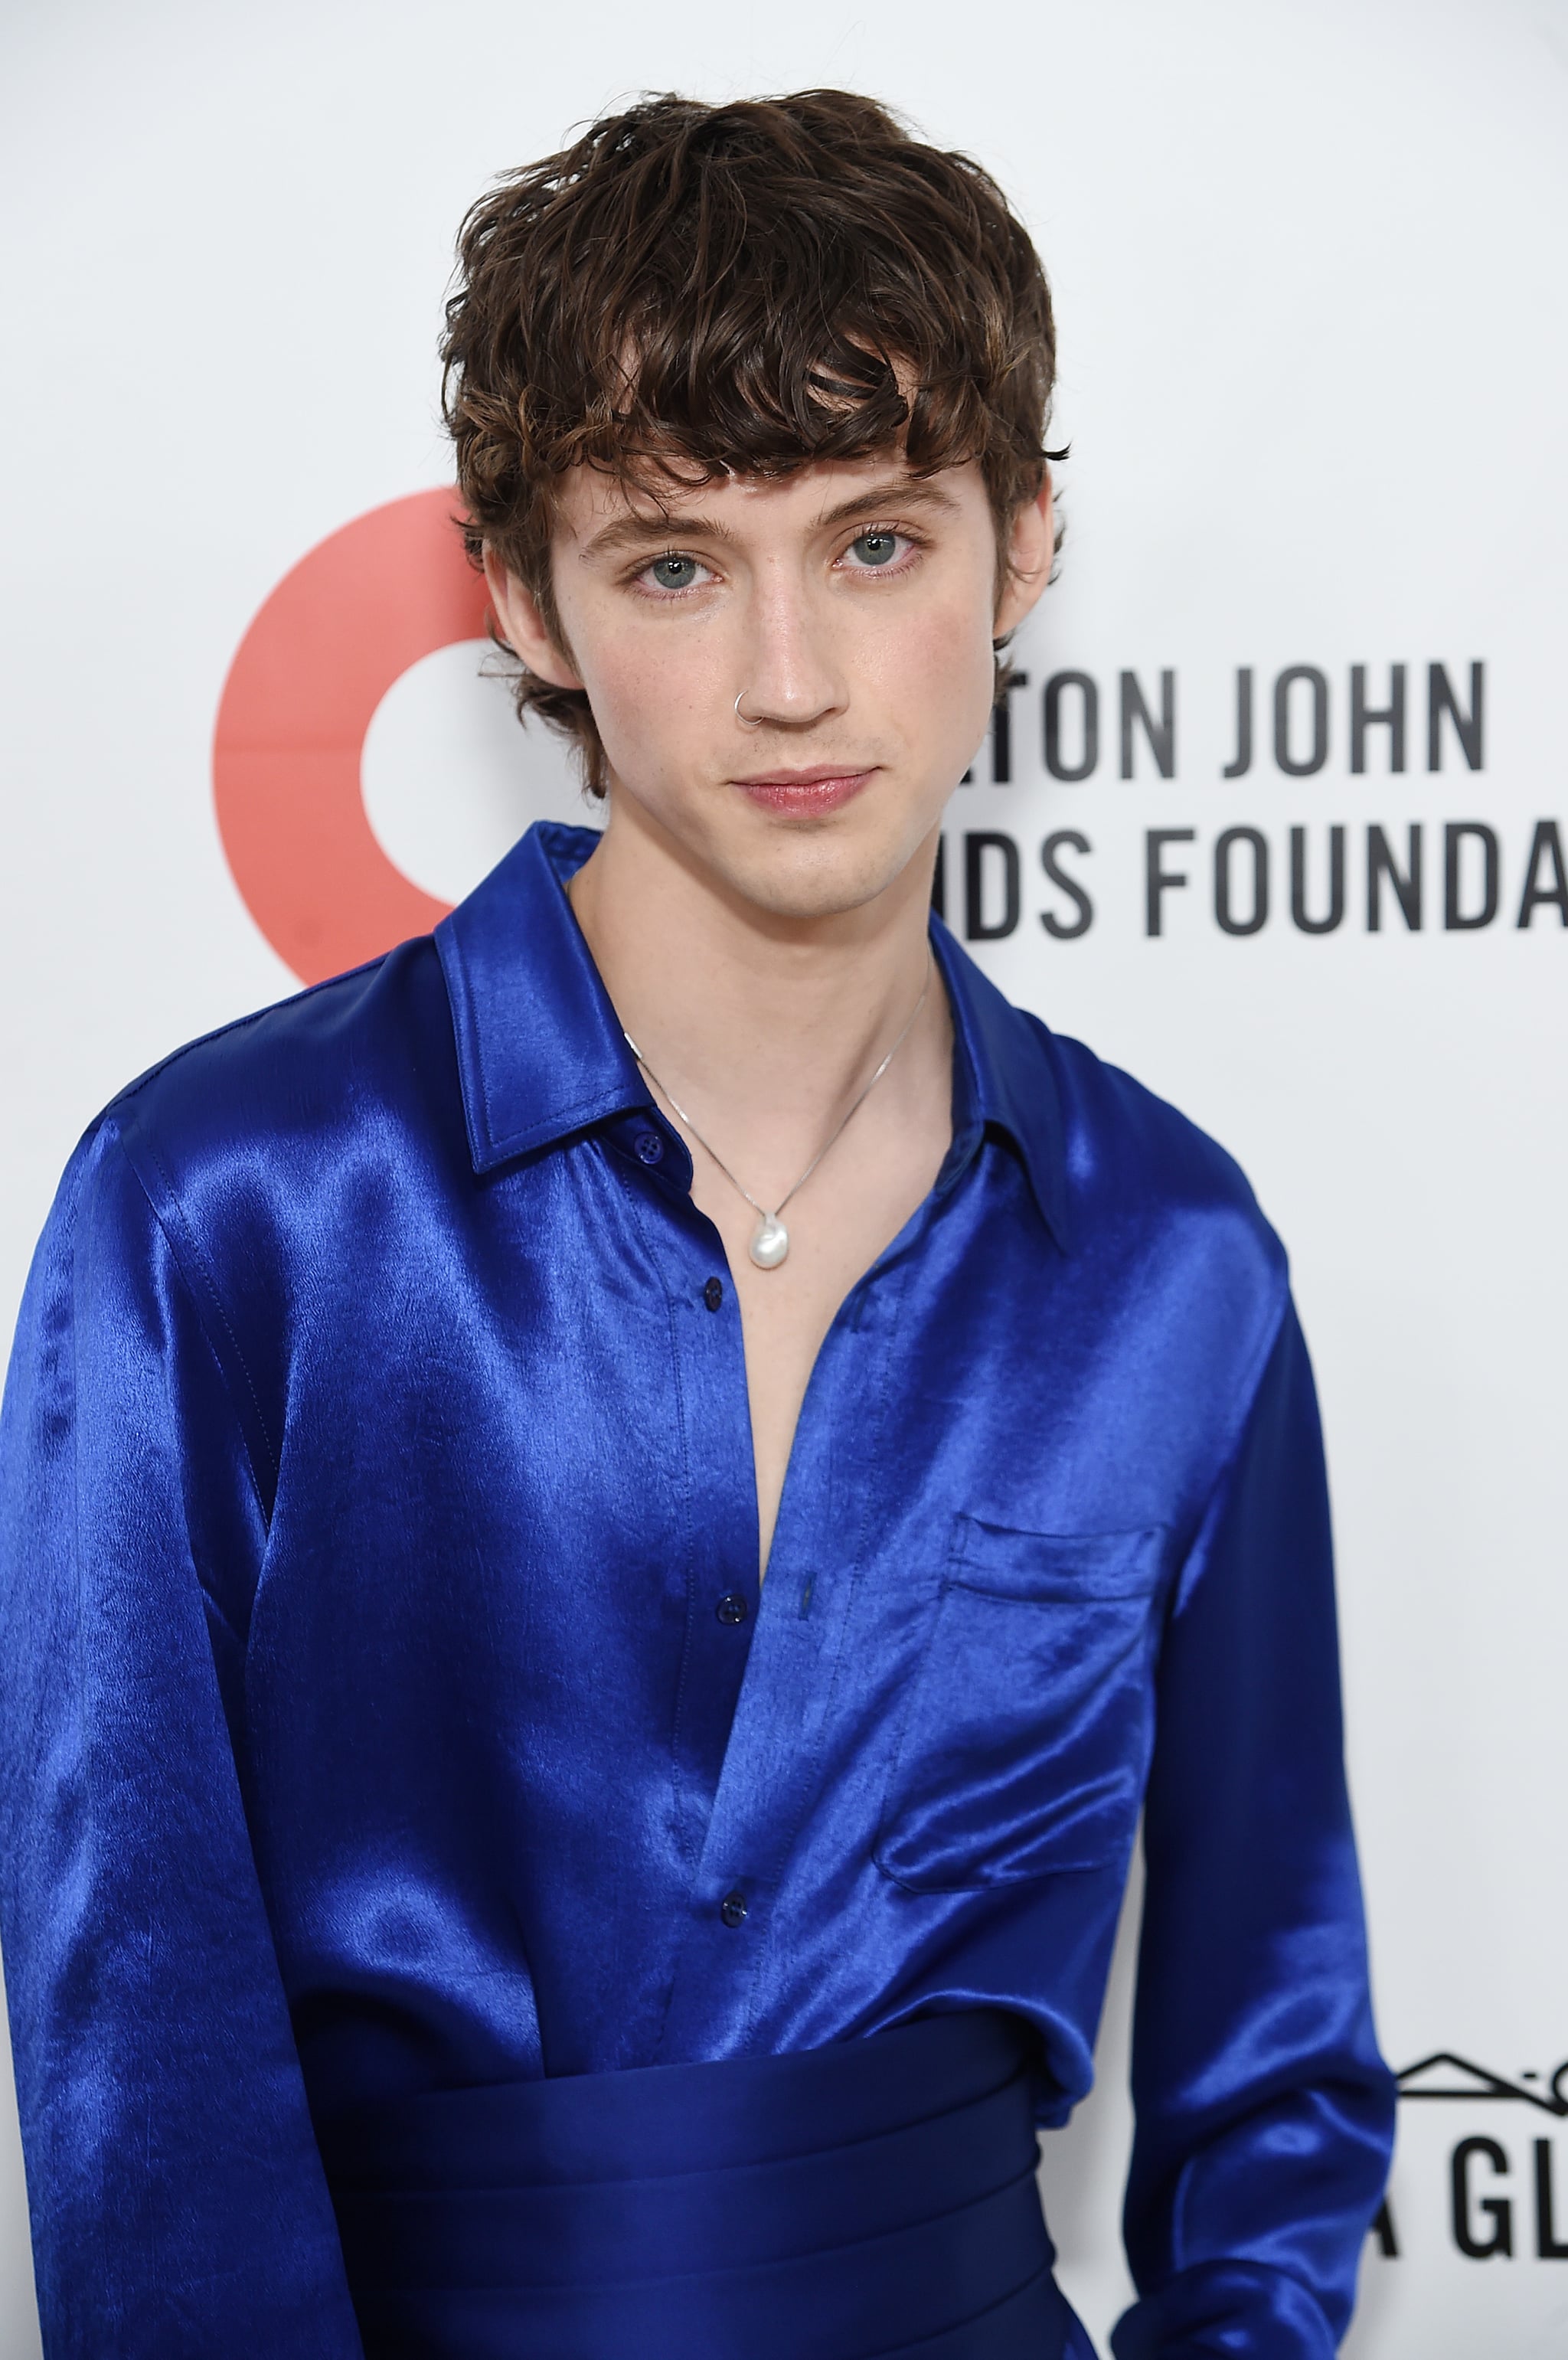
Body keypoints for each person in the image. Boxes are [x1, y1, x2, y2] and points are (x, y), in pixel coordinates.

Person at [0, 88, 1393, 2360]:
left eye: (874, 542)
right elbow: (137, 2065)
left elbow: (1276, 2066)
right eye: (673, 562)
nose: (790, 680)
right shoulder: (218, 1209)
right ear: (525, 599)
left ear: (1025, 546)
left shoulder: (1174, 1257)